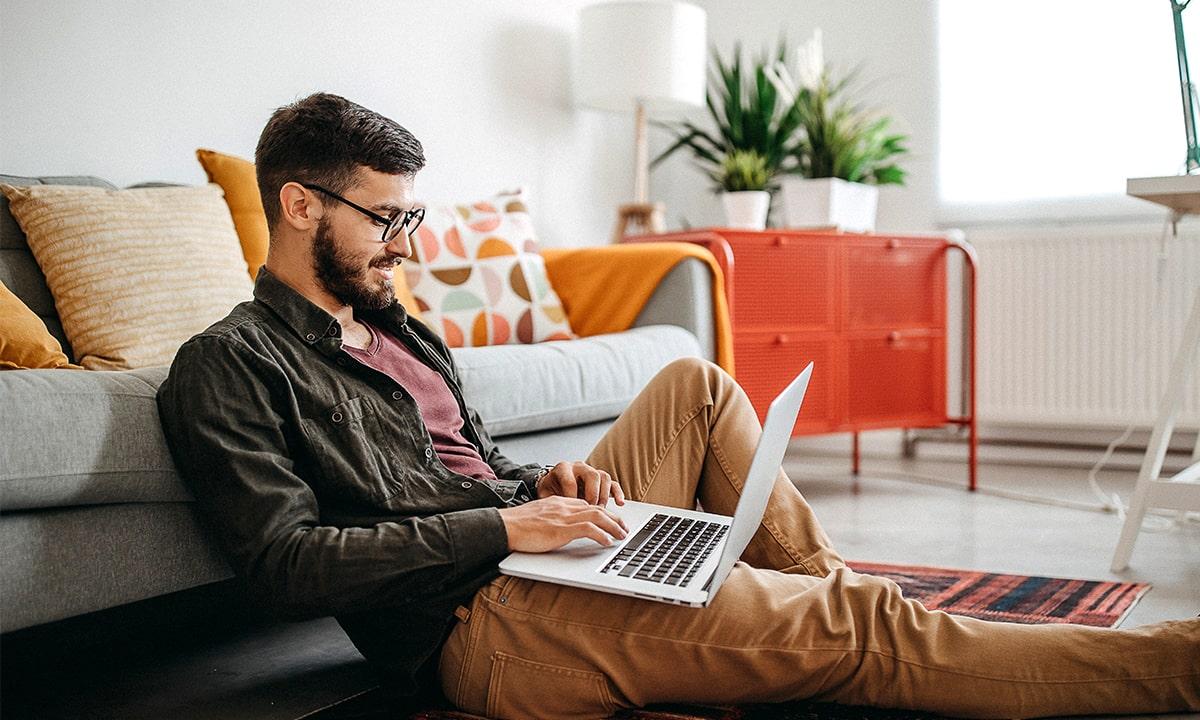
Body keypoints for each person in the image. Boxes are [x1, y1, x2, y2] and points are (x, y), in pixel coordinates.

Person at [156, 92, 1199, 719]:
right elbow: (285, 564)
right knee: (858, 624)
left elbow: (463, 465)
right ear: (299, 206)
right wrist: (509, 525)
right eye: (390, 218)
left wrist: (542, 486)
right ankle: (1166, 670)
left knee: (694, 385)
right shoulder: (230, 365)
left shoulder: (398, 328)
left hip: (529, 551)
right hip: (477, 625)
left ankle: (844, 632)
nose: (410, 244)